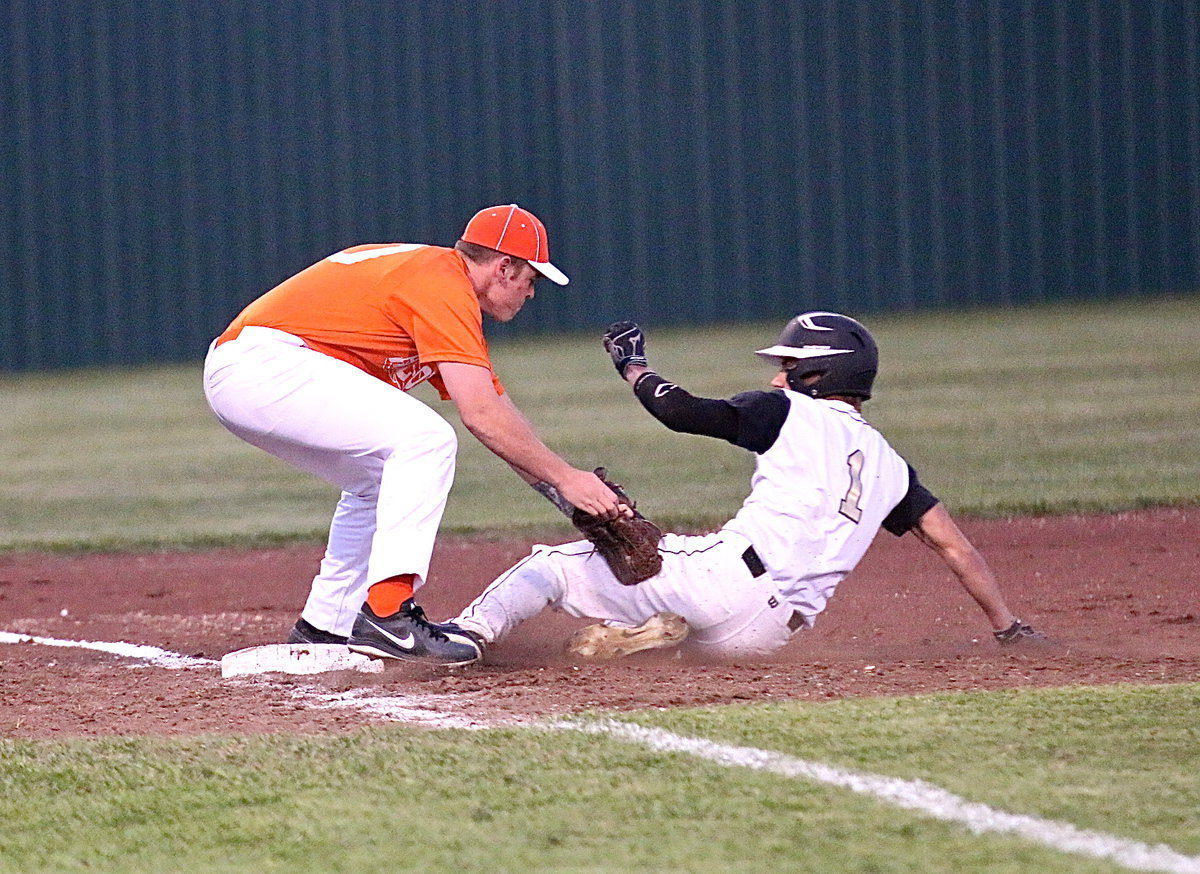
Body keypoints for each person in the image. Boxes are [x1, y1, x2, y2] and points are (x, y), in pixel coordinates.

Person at [451, 312, 1047, 661]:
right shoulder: (893, 468)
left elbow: (681, 413)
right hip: (768, 635)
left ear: (819, 372)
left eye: (788, 366)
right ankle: (650, 633)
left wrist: (633, 366)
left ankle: (465, 637)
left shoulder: (787, 410)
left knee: (553, 568)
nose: (777, 375)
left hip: (726, 579)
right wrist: (1007, 626)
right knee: (681, 633)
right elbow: (955, 548)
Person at [202, 204, 624, 665]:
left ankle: (326, 625)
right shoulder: (441, 284)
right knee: (426, 439)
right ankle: (389, 613)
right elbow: (479, 415)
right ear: (503, 267)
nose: (531, 292)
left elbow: (498, 412)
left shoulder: (438, 281)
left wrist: (564, 491)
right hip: (263, 365)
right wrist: (566, 478)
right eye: (531, 279)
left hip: (259, 369)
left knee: (377, 478)